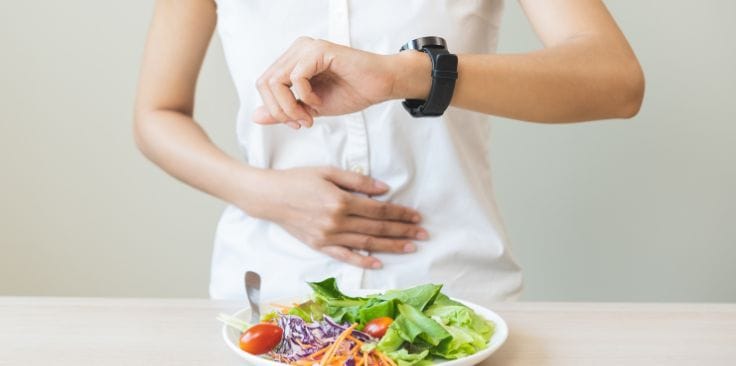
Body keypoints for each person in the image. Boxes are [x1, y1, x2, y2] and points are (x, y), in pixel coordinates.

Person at [134, 0, 644, 303]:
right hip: (268, 291)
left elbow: (615, 80)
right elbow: (157, 113)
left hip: (453, 291)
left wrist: (407, 74)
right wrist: (265, 194)